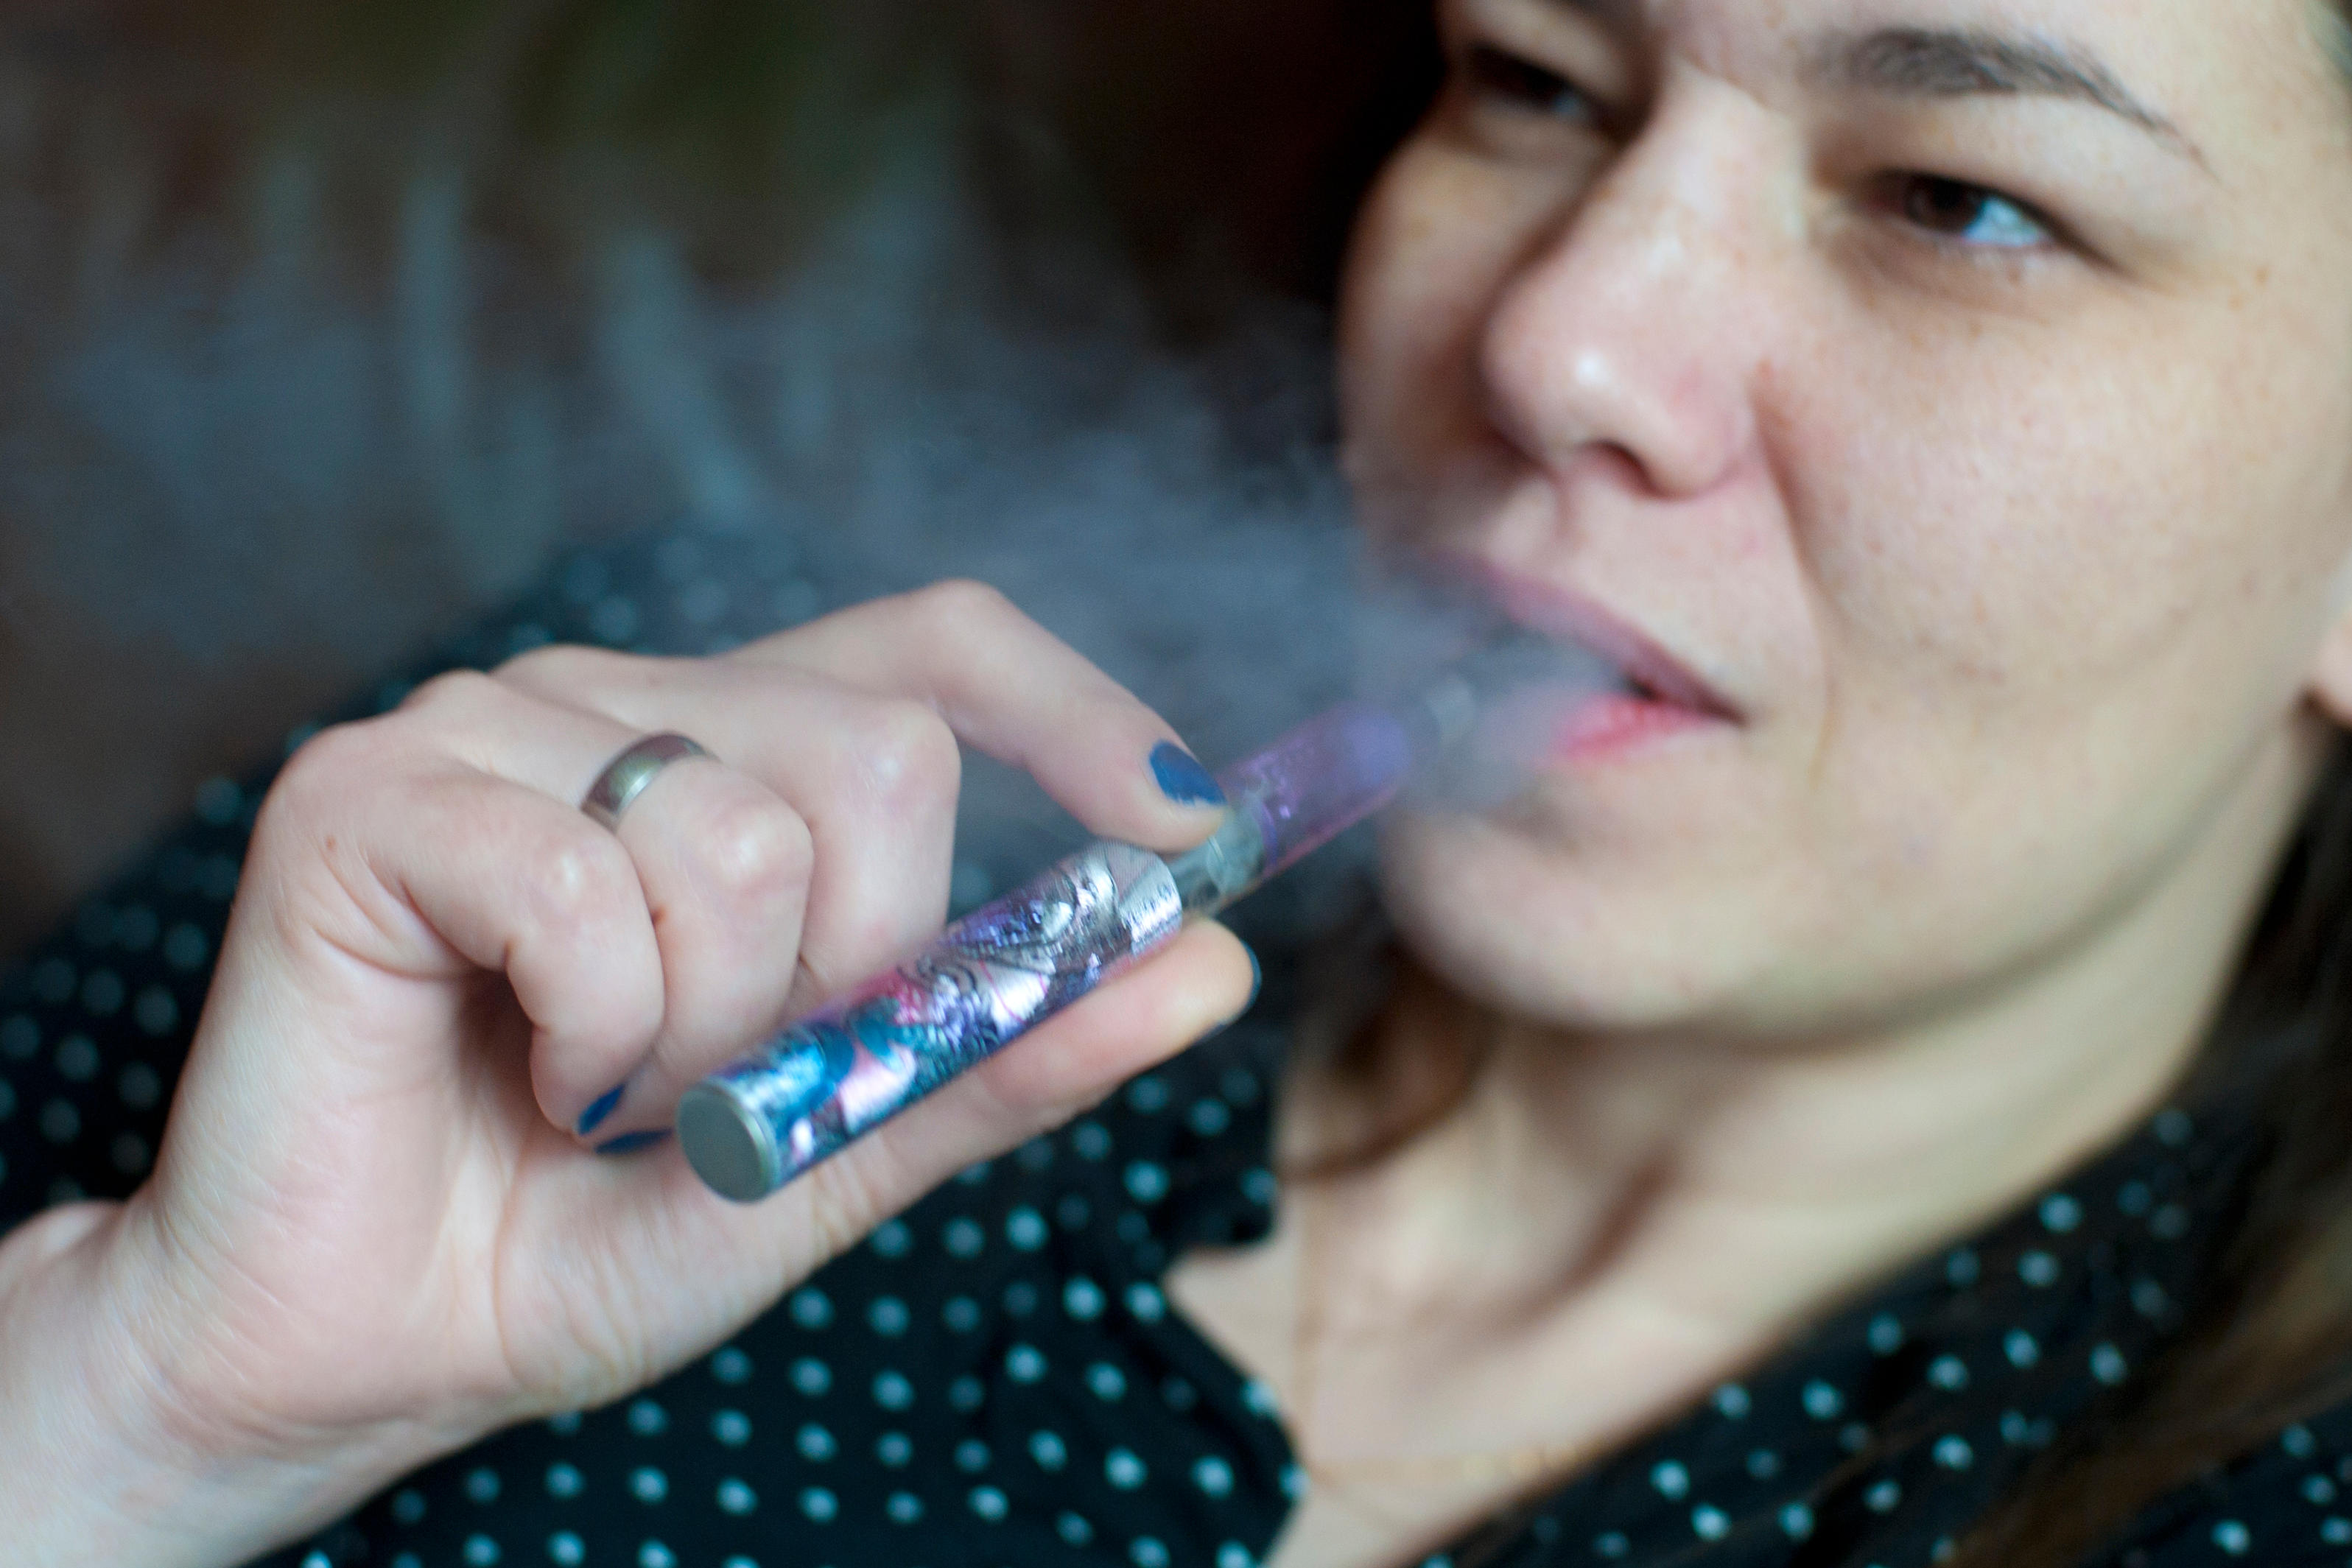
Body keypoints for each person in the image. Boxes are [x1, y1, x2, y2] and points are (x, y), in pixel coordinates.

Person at [10, 1, 2352, 1565]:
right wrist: (140, 1414)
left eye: (1962, 201)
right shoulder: (675, 793)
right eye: (1536, 77)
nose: (1555, 342)